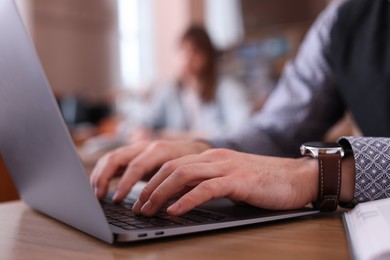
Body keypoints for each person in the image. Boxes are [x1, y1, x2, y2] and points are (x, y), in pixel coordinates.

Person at [90, 0, 390, 217]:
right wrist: (203, 150)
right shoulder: (342, 20)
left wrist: (315, 175)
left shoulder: (227, 88)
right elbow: (276, 130)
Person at [130, 25, 251, 142]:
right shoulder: (169, 91)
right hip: (177, 158)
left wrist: (182, 137)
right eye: (182, 50)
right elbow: (141, 122)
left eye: (194, 52)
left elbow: (242, 131)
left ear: (207, 56)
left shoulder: (228, 89)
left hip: (212, 156)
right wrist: (141, 131)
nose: (186, 57)